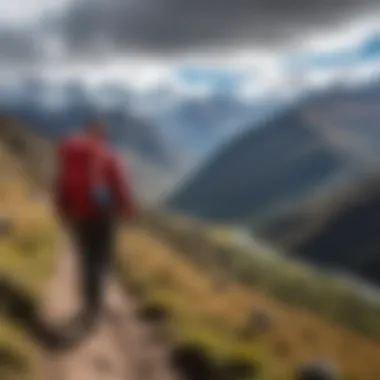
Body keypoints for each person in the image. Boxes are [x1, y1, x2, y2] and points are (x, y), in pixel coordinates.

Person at [54, 121, 136, 326]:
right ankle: (96, 306)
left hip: (80, 216)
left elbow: (61, 185)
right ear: (103, 136)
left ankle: (88, 303)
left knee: (86, 259)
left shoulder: (71, 156)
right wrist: (127, 210)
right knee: (101, 260)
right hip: (104, 218)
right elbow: (121, 186)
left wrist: (64, 213)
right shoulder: (109, 158)